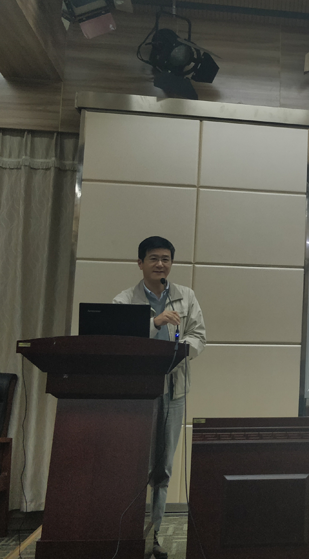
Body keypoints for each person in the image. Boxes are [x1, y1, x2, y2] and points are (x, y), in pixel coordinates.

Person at [114, 236, 206, 559]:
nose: (160, 264)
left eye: (166, 259)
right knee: (135, 465)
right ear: (140, 263)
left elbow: (198, 335)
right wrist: (155, 322)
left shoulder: (185, 296)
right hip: (137, 393)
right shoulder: (124, 300)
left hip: (173, 389)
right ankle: (127, 532)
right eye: (153, 258)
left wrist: (181, 350)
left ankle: (154, 534)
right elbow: (119, 339)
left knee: (163, 468)